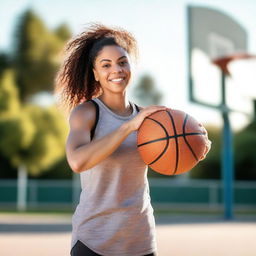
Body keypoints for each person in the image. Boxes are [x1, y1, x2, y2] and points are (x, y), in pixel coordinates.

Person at [55, 23, 210, 256]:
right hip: (94, 241)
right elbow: (77, 162)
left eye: (122, 62)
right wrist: (128, 128)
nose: (116, 70)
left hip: (140, 240)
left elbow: (170, 159)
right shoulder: (87, 113)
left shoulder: (151, 120)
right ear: (95, 73)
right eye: (105, 65)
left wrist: (195, 147)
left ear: (130, 66)